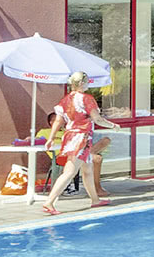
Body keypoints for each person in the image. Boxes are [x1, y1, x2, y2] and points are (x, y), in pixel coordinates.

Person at [42, 71, 120, 214]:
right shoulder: (87, 99)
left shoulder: (65, 100)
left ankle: (95, 200)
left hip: (72, 137)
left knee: (87, 170)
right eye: (87, 81)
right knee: (69, 171)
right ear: (82, 83)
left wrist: (51, 138)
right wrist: (112, 125)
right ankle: (49, 202)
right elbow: (97, 119)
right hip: (81, 138)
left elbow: (58, 120)